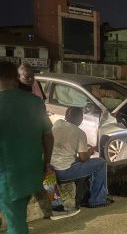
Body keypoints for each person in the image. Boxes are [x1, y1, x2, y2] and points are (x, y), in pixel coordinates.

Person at [0, 61, 54, 234]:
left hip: (8, 177)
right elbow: (48, 136)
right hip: (29, 174)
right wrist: (47, 164)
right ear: (15, 78)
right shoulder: (35, 102)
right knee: (17, 218)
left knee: (16, 224)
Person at [51, 106, 112, 208]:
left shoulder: (58, 123)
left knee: (81, 163)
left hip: (51, 167)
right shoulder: (80, 133)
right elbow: (84, 158)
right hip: (64, 171)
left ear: (66, 116)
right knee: (101, 163)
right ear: (80, 119)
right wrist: (90, 152)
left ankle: (85, 196)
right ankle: (97, 200)